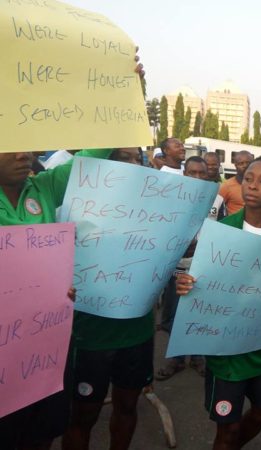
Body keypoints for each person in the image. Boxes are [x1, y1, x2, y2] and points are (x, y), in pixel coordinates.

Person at [176, 157, 261, 450]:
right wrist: (186, 284)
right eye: (249, 178)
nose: (253, 186)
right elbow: (199, 281)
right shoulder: (221, 232)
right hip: (228, 353)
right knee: (227, 428)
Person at [0, 148, 112, 450]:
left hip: (47, 344)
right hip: (5, 351)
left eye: (27, 147)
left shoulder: (44, 187)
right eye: (10, 147)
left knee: (44, 429)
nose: (23, 156)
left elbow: (92, 154)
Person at [62, 148, 155, 450]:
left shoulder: (158, 210)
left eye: (135, 159)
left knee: (127, 407)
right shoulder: (75, 206)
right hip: (91, 334)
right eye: (121, 158)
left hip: (136, 332)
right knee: (83, 415)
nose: (130, 165)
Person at [155, 156, 212, 381]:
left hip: (202, 267)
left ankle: (197, 357)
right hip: (175, 268)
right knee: (174, 312)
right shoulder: (170, 199)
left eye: (202, 173)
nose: (197, 177)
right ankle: (176, 359)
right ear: (184, 173)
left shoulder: (215, 200)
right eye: (192, 173)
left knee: (198, 311)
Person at [219, 150, 253, 215]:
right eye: (241, 163)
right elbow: (217, 208)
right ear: (235, 165)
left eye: (248, 163)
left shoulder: (257, 185)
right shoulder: (227, 186)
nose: (245, 166)